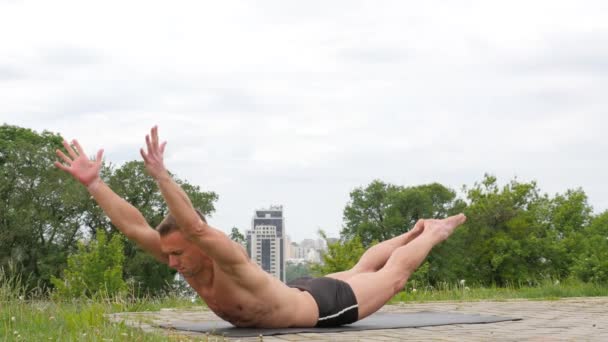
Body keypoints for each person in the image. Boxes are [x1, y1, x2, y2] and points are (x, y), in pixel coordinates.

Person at [54, 126, 467, 328]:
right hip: (296, 289)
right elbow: (134, 228)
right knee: (360, 268)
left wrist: (162, 176)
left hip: (323, 308)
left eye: (178, 254)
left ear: (201, 247)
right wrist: (95, 184)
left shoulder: (227, 260)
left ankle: (432, 233)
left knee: (391, 277)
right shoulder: (183, 256)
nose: (171, 262)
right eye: (171, 254)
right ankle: (414, 232)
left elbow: (195, 228)